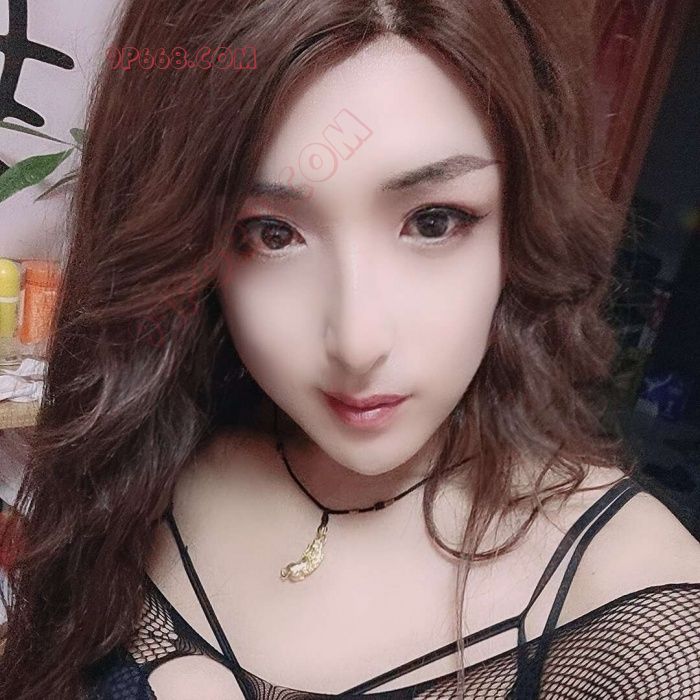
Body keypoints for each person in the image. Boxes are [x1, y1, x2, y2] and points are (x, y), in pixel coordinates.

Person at [1, 1, 699, 698]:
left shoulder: (640, 615)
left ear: (519, 224)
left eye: (434, 222)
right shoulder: (149, 458)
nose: (358, 343)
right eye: (271, 234)